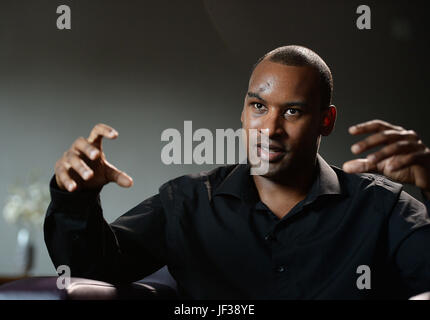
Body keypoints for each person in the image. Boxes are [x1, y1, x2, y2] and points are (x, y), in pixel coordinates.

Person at [44, 45, 430, 299]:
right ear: (244, 113)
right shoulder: (187, 202)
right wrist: (75, 196)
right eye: (259, 107)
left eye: (293, 111)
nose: (271, 128)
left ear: (326, 121)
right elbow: (95, 270)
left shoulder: (382, 208)